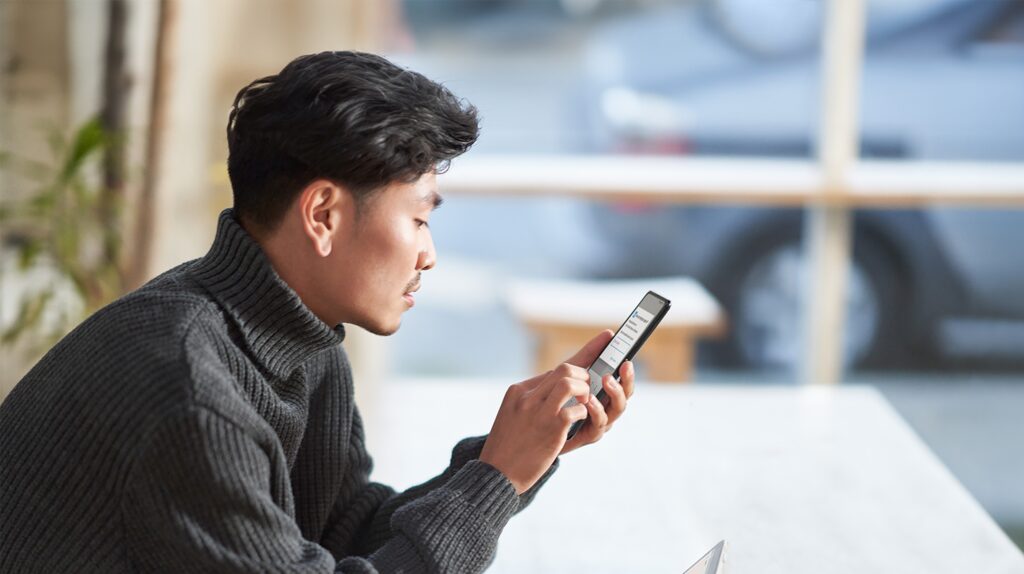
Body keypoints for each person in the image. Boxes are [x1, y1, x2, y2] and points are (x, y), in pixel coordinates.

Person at [0, 51, 635, 573]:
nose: (429, 255)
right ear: (323, 215)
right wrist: (495, 479)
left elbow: (343, 531)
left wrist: (515, 458)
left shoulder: (301, 339)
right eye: (417, 218)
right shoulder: (189, 390)